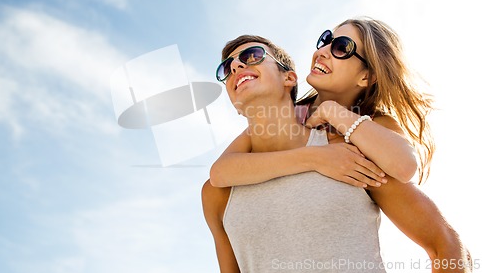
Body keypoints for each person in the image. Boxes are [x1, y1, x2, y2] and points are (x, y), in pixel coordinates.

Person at [202, 24, 471, 272]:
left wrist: (332, 113)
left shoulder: (357, 151)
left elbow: (444, 242)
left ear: (289, 78)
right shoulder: (222, 190)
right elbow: (219, 172)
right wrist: (315, 158)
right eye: (226, 68)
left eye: (341, 47)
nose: (236, 66)